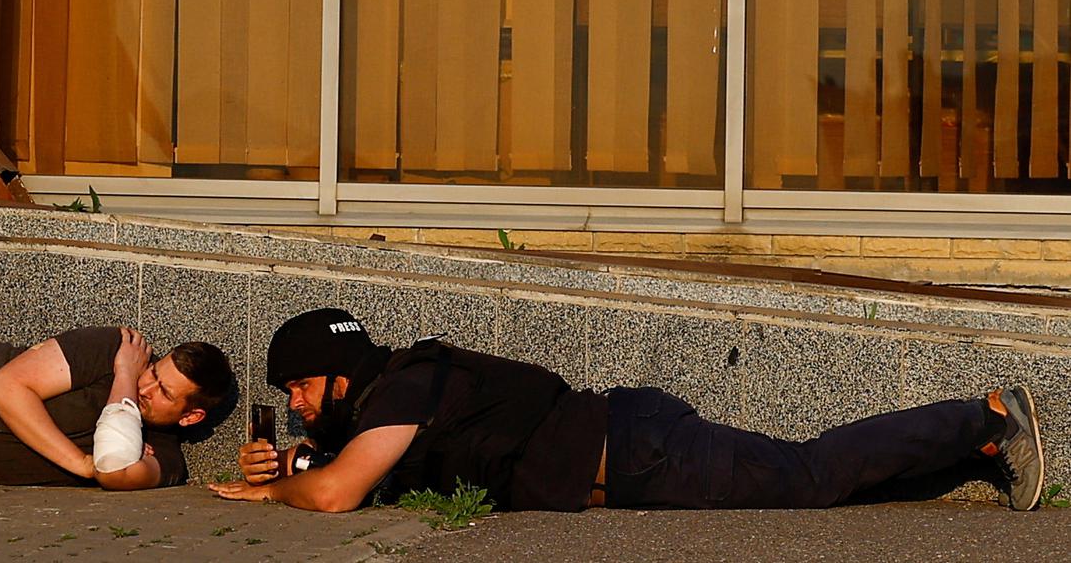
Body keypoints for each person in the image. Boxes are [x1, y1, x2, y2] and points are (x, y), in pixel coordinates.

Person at [211, 308, 1047, 514]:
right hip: (636, 456)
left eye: (298, 389)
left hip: (642, 450)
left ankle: (986, 414)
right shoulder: (396, 397)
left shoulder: (401, 384)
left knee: (810, 473)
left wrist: (278, 490)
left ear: (336, 375)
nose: (293, 404)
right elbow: (353, 469)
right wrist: (292, 461)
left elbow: (338, 496)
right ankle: (968, 453)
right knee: (811, 484)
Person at [0, 324, 234, 491]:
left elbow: (113, 472)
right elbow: (2, 388)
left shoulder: (167, 458)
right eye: (154, 372)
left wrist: (119, 429)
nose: (145, 387)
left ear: (191, 416)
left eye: (164, 393)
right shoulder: (116, 350)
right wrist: (125, 371)